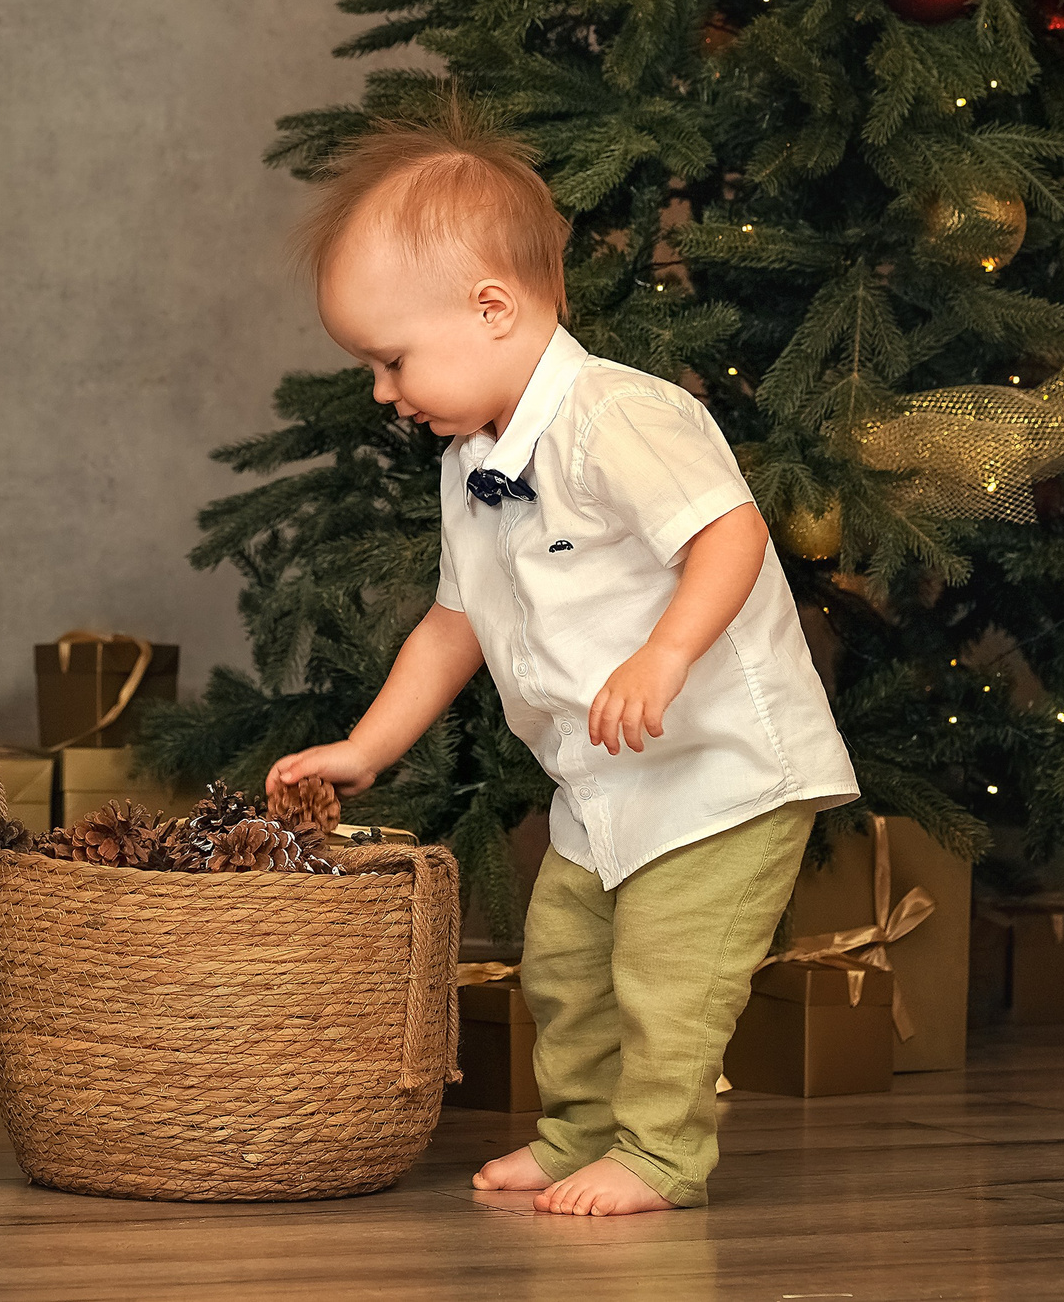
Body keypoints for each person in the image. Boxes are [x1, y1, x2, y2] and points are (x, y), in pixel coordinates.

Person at [266, 102, 857, 1216]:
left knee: (668, 981)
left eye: (392, 361)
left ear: (491, 309)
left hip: (721, 770)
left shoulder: (617, 418)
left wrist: (666, 653)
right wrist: (366, 745)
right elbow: (455, 622)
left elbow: (730, 533)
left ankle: (661, 1154)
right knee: (564, 967)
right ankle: (578, 1129)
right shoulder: (470, 462)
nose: (384, 394)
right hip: (604, 781)